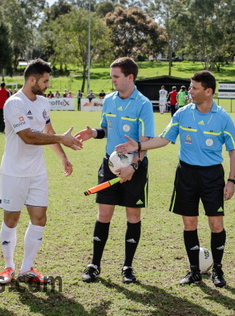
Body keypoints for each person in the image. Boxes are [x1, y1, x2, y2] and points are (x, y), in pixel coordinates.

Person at [116, 70, 235, 288]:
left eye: (194, 88)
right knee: (189, 223)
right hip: (186, 174)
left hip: (212, 176)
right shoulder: (182, 114)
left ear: (208, 91)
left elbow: (233, 150)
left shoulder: (222, 117)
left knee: (216, 224)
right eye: (190, 87)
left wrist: (231, 181)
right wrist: (138, 146)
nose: (189, 91)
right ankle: (194, 272)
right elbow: (164, 139)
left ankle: (218, 271)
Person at [0, 58, 82, 285]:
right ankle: (8, 267)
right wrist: (59, 137)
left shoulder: (43, 102)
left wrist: (63, 156)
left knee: (39, 218)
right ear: (32, 80)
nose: (47, 85)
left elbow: (48, 131)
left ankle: (27, 269)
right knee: (12, 220)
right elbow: (28, 136)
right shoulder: (14, 103)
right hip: (14, 172)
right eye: (44, 81)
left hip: (37, 173)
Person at [76, 57, 155, 284]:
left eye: (116, 77)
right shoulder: (109, 100)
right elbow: (105, 129)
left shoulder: (143, 104)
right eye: (112, 76)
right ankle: (94, 265)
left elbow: (145, 142)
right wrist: (94, 133)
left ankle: (128, 267)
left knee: (133, 216)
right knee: (104, 214)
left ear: (130, 77)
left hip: (135, 168)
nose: (112, 81)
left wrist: (132, 166)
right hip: (109, 166)